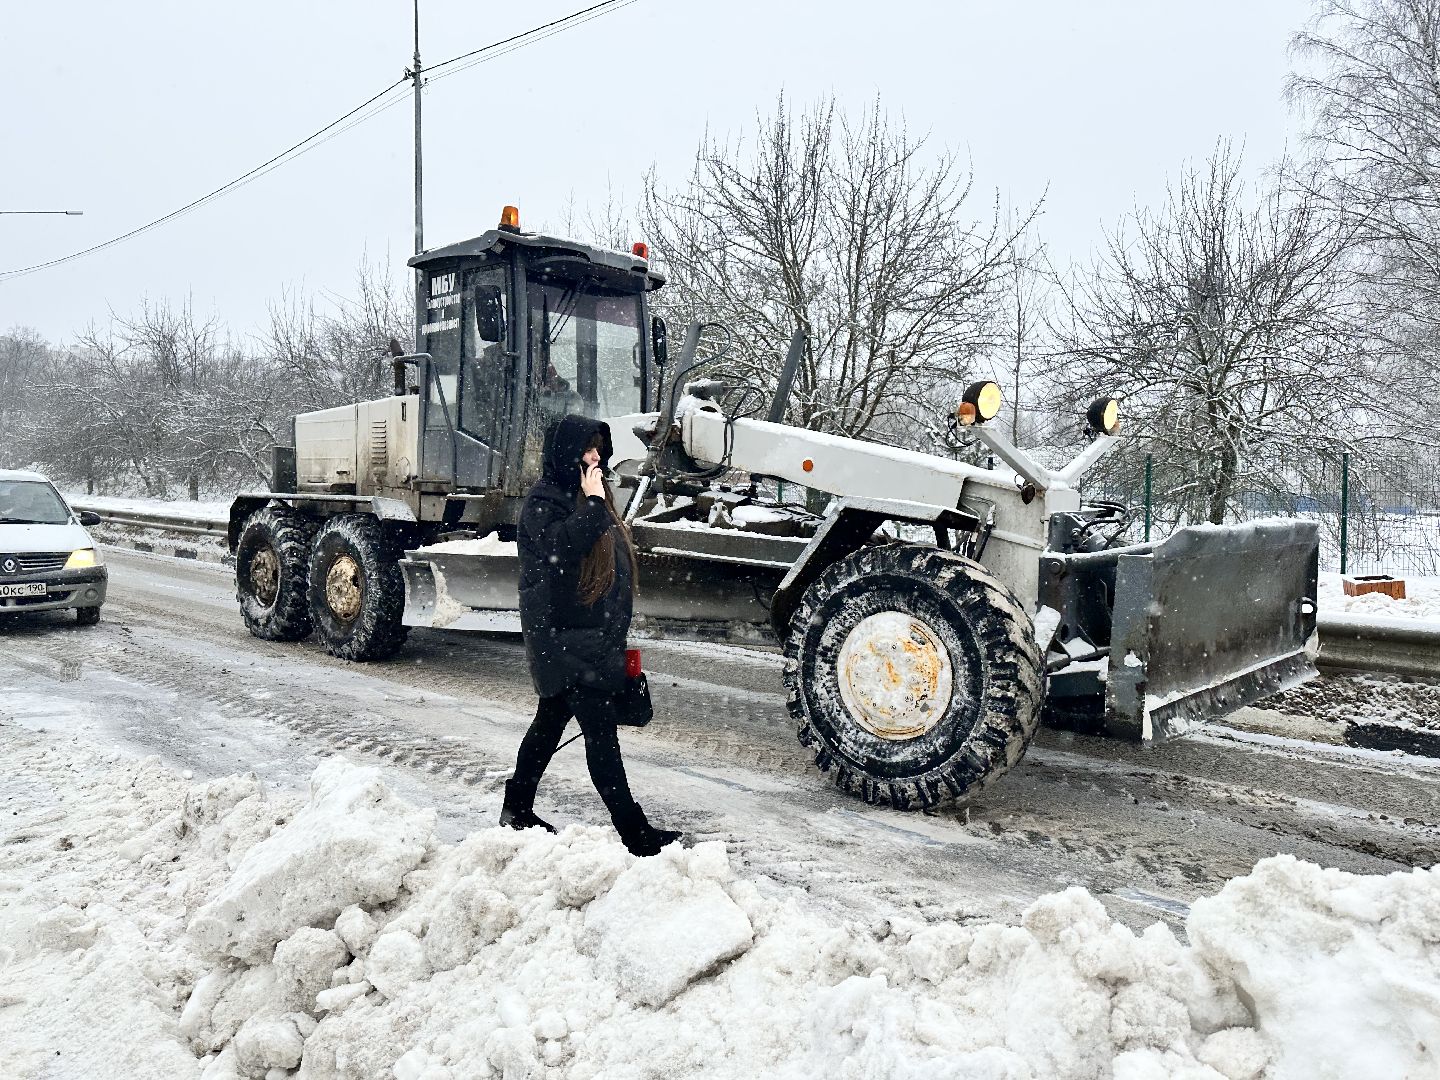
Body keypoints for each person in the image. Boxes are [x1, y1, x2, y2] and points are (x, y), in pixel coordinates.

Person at [500, 413, 682, 856]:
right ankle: (635, 834)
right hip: (564, 638)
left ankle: (516, 808)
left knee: (549, 724)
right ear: (566, 452)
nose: (596, 457)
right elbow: (565, 546)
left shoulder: (578, 497)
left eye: (601, 448)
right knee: (602, 736)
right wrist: (595, 502)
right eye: (588, 448)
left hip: (585, 638)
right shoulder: (545, 502)